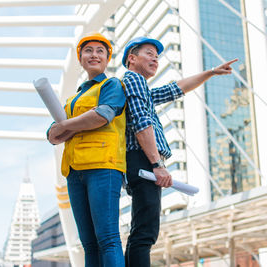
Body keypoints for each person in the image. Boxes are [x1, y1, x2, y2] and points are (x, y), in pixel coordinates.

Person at [121, 36, 238, 266]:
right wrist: (157, 164)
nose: (155, 58)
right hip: (144, 161)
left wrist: (211, 72)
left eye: (157, 55)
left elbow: (176, 89)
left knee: (143, 230)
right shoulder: (133, 80)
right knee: (144, 233)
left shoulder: (141, 88)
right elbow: (140, 122)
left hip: (142, 162)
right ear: (131, 59)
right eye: (148, 53)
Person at [47, 32, 126, 267]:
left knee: (108, 238)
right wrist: (68, 126)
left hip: (103, 166)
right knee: (88, 243)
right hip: (74, 171)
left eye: (100, 51)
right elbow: (52, 135)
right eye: (88, 51)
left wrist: (66, 126)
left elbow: (102, 115)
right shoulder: (73, 99)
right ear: (80, 59)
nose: (94, 55)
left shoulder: (112, 85)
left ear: (107, 59)